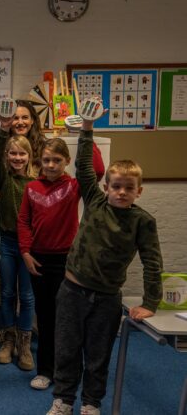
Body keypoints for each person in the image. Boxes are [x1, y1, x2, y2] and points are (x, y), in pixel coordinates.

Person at [47, 112, 163, 415]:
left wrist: (151, 301)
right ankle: (64, 400)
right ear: (106, 187)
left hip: (107, 299)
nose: (121, 192)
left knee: (98, 355)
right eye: (116, 186)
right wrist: (87, 128)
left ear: (139, 190)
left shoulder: (142, 221)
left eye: (128, 187)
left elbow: (152, 262)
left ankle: (90, 403)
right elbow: (84, 166)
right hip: (71, 291)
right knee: (66, 351)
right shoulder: (96, 201)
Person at [18, 139, 80, 390]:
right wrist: (25, 252)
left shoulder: (74, 186)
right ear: (40, 162)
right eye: (46, 160)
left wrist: (87, 130)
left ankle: (66, 372)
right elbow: (23, 221)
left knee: (66, 319)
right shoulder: (32, 187)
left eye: (57, 160)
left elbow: (97, 170)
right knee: (44, 318)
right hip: (38, 261)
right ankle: (45, 370)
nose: (51, 165)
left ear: (67, 161)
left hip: (66, 261)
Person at [0, 114, 36, 370]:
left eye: (22, 154)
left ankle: (24, 343)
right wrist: (3, 128)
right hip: (7, 242)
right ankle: (8, 339)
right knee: (7, 292)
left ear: (29, 156)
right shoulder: (2, 177)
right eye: (13, 154)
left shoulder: (36, 181)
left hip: (29, 246)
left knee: (27, 296)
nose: (17, 158)